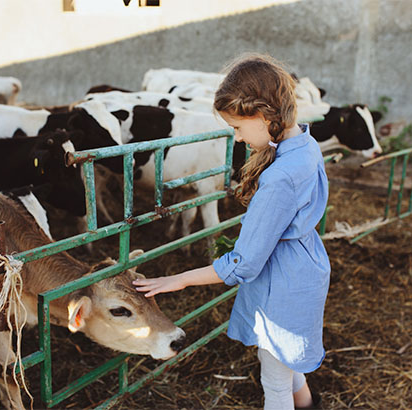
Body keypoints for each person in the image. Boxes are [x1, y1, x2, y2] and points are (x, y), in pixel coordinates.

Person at [133, 53, 330, 410]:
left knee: (274, 382)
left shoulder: (279, 179)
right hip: (304, 270)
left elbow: (244, 263)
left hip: (282, 286)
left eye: (237, 128)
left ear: (264, 116)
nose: (236, 139)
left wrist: (179, 279)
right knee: (285, 363)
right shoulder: (305, 145)